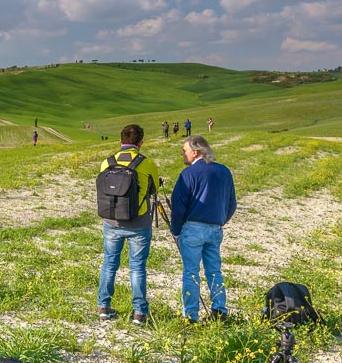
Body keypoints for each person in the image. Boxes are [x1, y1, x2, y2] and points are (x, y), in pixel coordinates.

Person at [97, 124, 159, 326]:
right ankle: (139, 313)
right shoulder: (146, 163)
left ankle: (103, 307)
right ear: (140, 142)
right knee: (137, 267)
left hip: (111, 221)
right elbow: (155, 187)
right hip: (138, 222)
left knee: (109, 263)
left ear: (120, 141)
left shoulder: (107, 163)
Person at [170, 135, 237, 324]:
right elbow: (232, 203)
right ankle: (219, 309)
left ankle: (191, 315)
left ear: (195, 152)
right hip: (215, 227)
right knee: (214, 270)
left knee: (191, 272)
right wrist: (221, 220)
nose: (183, 154)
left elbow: (178, 205)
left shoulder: (188, 174)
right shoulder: (223, 171)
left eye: (185, 150)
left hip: (192, 227)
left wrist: (176, 229)